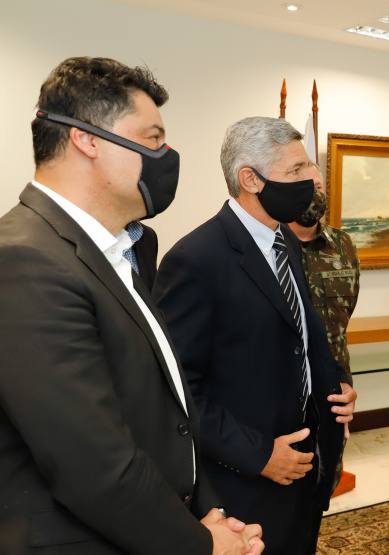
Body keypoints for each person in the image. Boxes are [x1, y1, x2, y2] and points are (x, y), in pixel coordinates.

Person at [0, 56, 263, 554]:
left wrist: (206, 515)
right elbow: (90, 462)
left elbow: (165, 409)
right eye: (152, 138)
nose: (167, 155)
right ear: (88, 139)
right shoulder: (24, 260)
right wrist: (199, 545)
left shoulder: (130, 247)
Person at [153, 116, 357, 555]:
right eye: (298, 169)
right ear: (251, 179)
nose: (313, 179)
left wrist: (336, 384)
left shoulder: (284, 242)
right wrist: (259, 454)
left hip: (305, 468)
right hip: (244, 485)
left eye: (311, 168)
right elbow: (175, 391)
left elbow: (305, 334)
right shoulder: (195, 259)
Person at [287, 161, 360, 491]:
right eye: (303, 186)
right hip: (282, 391)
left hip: (333, 390)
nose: (313, 194)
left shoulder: (343, 245)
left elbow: (345, 315)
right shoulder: (266, 245)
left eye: (317, 186)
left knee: (325, 479)